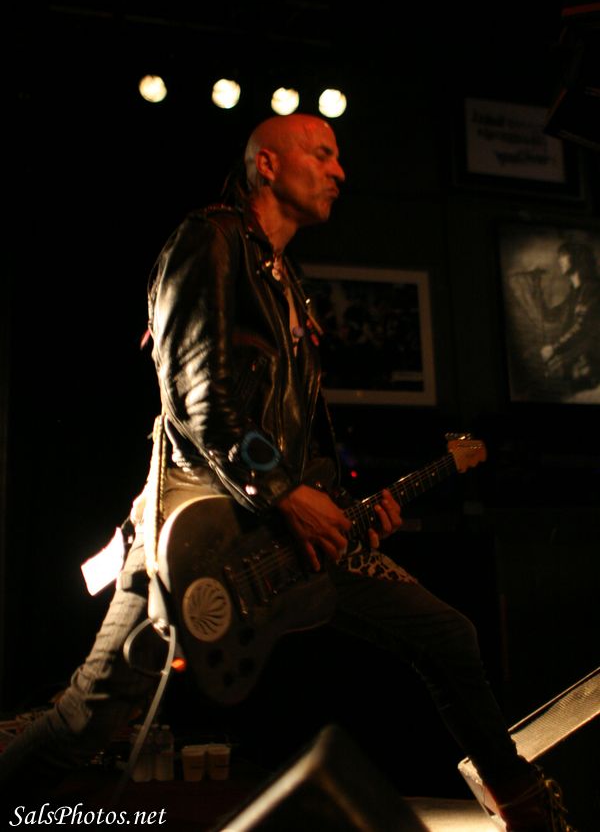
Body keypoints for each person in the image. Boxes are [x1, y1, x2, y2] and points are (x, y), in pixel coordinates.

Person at [0, 115, 571, 831]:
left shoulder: (284, 281)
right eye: (322, 154)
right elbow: (198, 397)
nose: (340, 171)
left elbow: (286, 436)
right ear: (267, 165)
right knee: (88, 716)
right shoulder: (208, 242)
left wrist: (342, 508)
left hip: (276, 528)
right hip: (200, 526)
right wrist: (284, 494)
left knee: (446, 635)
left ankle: (523, 803)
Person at [538, 240, 600, 395]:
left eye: (564, 255)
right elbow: (551, 316)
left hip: (589, 363)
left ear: (577, 258)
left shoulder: (591, 290)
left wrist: (554, 348)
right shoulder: (574, 293)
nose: (559, 260)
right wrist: (535, 290)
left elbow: (582, 328)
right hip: (578, 360)